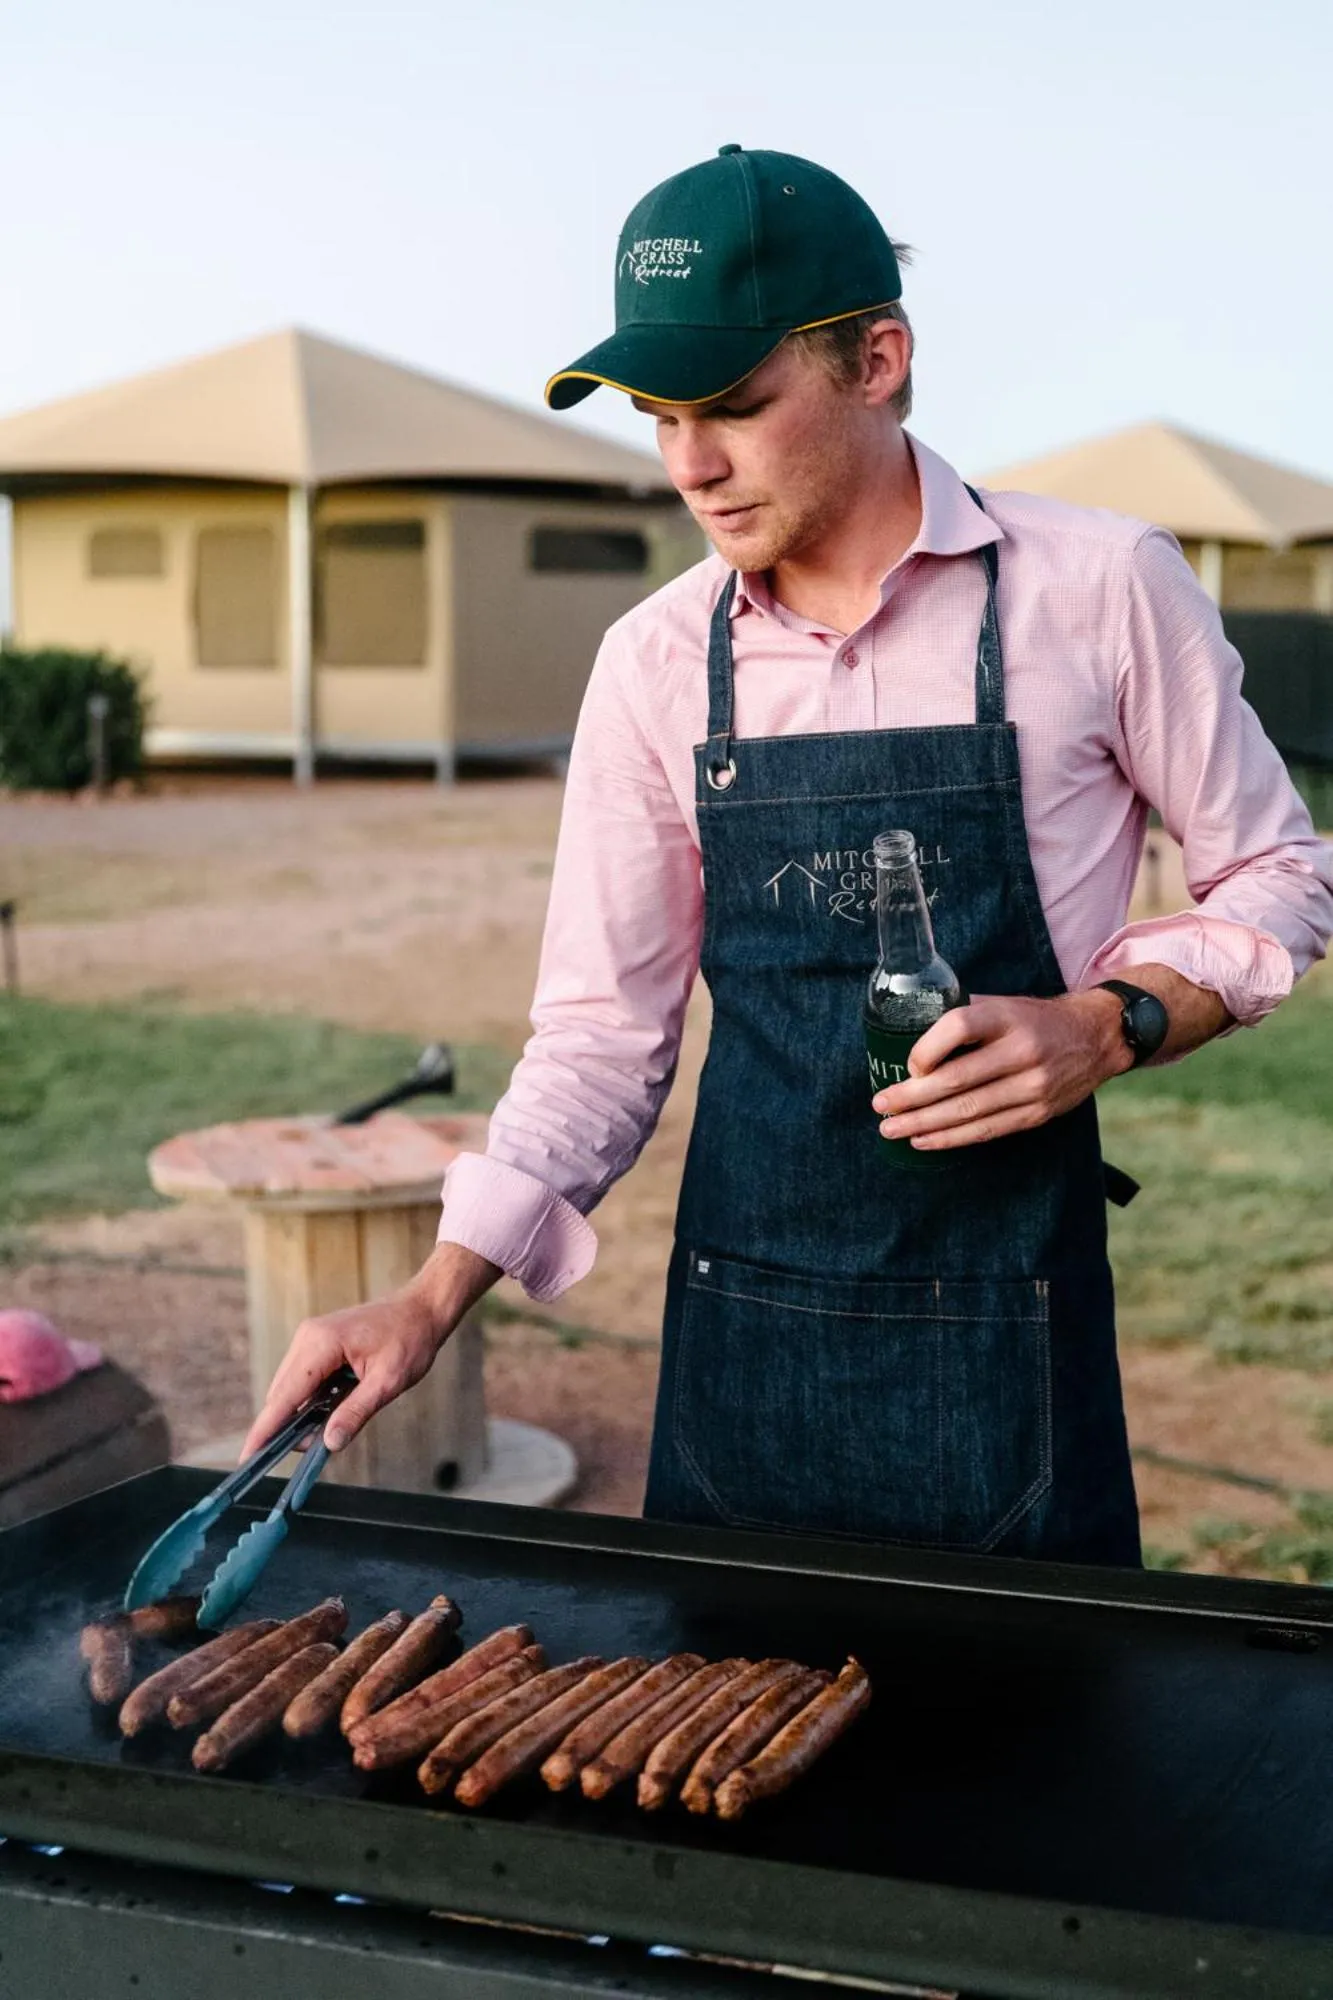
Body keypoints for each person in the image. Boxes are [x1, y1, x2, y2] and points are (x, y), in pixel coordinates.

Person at [244, 146, 1333, 1564]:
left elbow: (1278, 876)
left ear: (879, 358)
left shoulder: (1103, 588)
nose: (690, 464)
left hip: (1005, 1331)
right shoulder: (650, 665)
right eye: (660, 418)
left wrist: (1106, 1023)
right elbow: (598, 1037)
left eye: (737, 409)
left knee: (1027, 1771)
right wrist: (428, 1296)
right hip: (741, 1344)